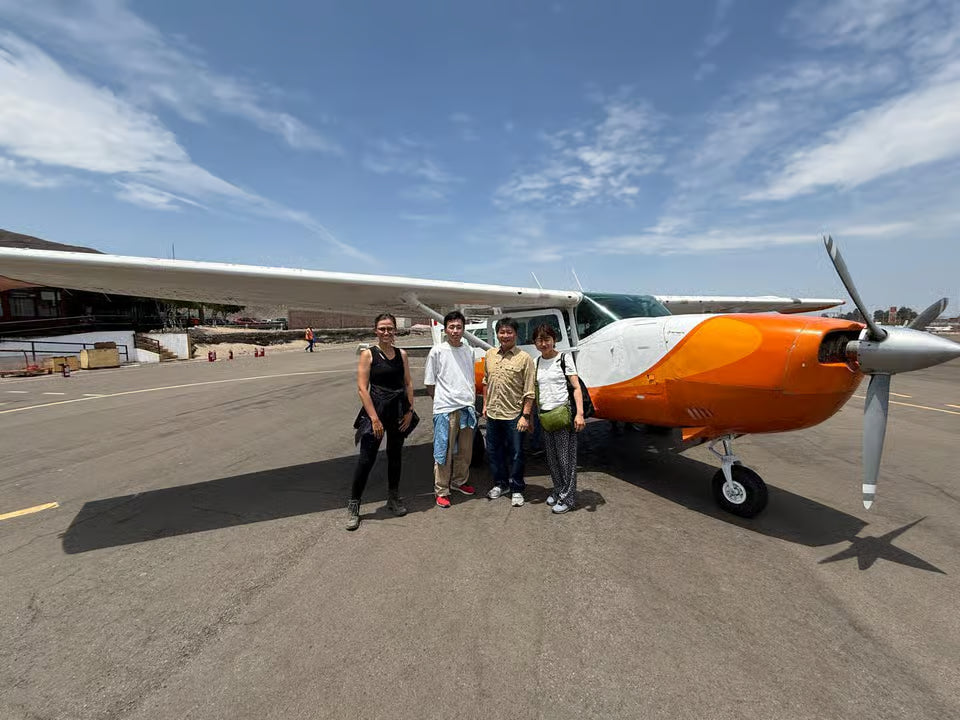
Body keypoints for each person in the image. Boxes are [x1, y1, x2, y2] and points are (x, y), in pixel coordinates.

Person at [347, 313, 415, 531]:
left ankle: (393, 497)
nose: (386, 332)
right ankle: (354, 504)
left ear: (395, 330)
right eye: (382, 328)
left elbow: (408, 383)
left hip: (397, 411)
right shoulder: (368, 354)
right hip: (376, 410)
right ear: (375, 330)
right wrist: (374, 418)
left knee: (395, 456)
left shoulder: (402, 354)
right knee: (366, 459)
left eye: (390, 328)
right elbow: (362, 388)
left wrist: (409, 410)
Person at [424, 310, 478, 508]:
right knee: (443, 452)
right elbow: (430, 383)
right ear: (445, 329)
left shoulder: (469, 351)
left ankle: (459, 481)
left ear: (464, 329)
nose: (455, 331)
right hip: (445, 409)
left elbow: (470, 378)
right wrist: (441, 401)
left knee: (465, 451)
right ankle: (441, 490)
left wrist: (470, 400)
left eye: (459, 327)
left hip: (466, 407)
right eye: (451, 327)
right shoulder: (437, 351)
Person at [482, 317, 535, 507]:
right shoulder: (490, 354)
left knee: (517, 453)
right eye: (502, 332)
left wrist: (525, 416)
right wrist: (485, 405)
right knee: (494, 451)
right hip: (493, 413)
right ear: (497, 334)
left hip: (514, 415)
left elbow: (529, 391)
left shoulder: (525, 358)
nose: (505, 335)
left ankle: (517, 488)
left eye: (509, 332)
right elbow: (486, 381)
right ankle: (501, 484)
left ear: (516, 334)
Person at [532, 324, 585, 513]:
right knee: (552, 459)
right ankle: (558, 489)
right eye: (539, 340)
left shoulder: (564, 358)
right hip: (546, 416)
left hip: (562, 415)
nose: (544, 343)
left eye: (547, 339)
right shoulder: (536, 362)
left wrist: (579, 414)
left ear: (554, 340)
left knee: (566, 459)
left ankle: (568, 498)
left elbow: (576, 387)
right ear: (535, 343)